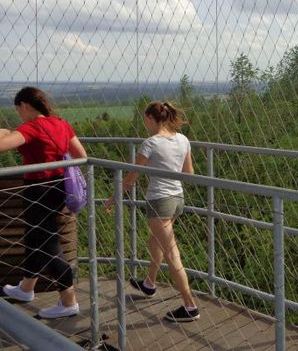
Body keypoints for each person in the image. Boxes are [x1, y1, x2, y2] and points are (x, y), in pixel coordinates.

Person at [104, 101, 200, 322]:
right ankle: (149, 283)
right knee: (154, 241)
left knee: (172, 254)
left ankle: (190, 306)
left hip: (159, 202)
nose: (144, 124)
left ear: (150, 118)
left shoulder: (150, 143)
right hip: (177, 199)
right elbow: (189, 172)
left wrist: (112, 200)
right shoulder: (183, 139)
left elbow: (131, 178)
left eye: (144, 120)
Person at [0, 86, 86, 319]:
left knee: (48, 244)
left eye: (18, 110)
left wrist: (5, 133)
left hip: (37, 190)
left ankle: (68, 301)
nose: (19, 115)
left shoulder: (32, 127)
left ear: (24, 105)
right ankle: (26, 288)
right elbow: (81, 155)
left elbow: (2, 145)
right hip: (58, 188)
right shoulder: (61, 124)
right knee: (34, 236)